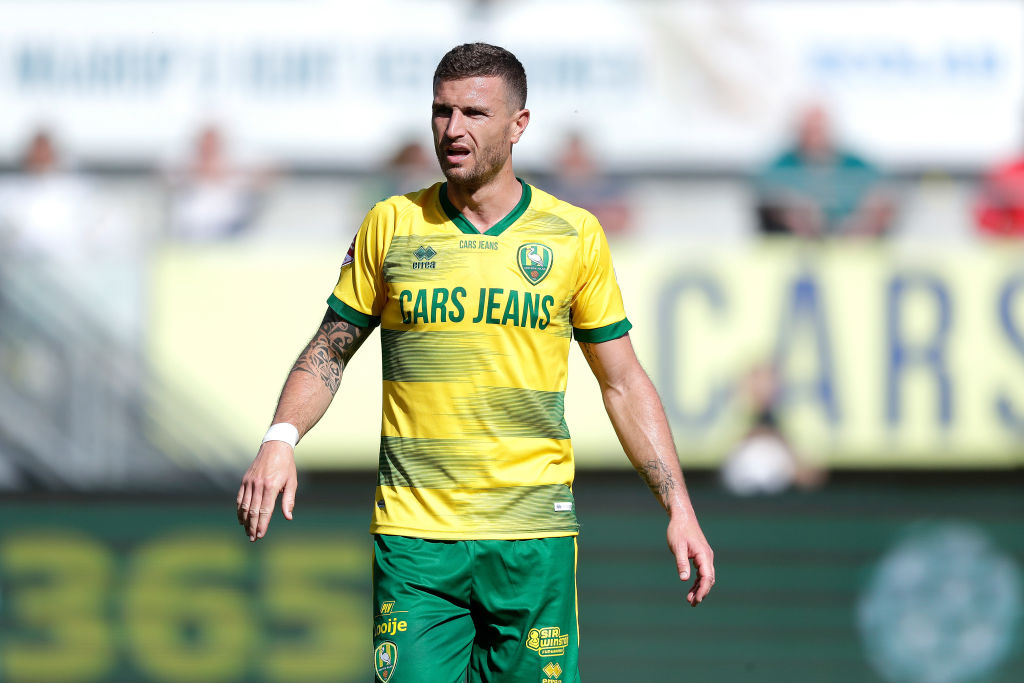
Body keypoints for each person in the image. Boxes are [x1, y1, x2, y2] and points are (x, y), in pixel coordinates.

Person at [236, 43, 714, 683]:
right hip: (415, 540)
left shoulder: (573, 235)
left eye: (473, 113)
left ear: (519, 124)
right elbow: (329, 348)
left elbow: (622, 383)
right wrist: (279, 438)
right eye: (440, 111)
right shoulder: (391, 224)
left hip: (532, 542)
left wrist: (677, 504)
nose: (452, 129)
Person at [754, 104, 894, 239]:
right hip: (797, 246)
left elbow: (883, 191)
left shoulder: (855, 163)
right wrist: (795, 210)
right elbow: (766, 193)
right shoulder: (781, 165)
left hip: (855, 244)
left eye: (819, 128)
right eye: (810, 128)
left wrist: (861, 226)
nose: (815, 134)